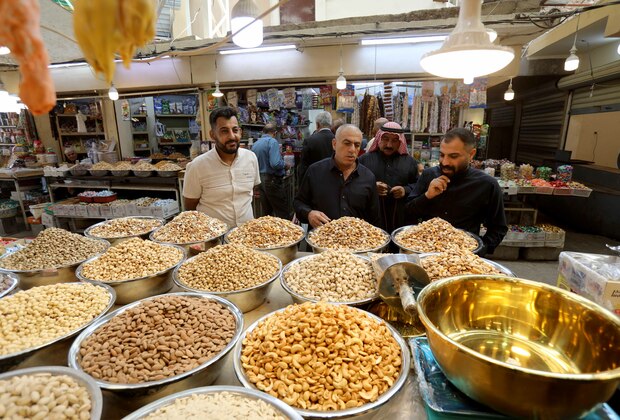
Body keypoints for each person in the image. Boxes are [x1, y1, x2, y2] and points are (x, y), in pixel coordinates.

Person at [405, 128, 507, 255]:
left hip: (463, 258)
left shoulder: (487, 184)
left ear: (471, 154)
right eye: (442, 155)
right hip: (425, 252)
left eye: (453, 156)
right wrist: (426, 196)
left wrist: (478, 251)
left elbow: (498, 228)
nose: (445, 162)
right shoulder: (428, 175)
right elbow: (408, 212)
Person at [183, 106, 260, 228]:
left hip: (247, 234)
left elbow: (252, 189)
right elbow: (190, 206)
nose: (232, 136)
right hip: (214, 238)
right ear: (212, 135)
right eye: (224, 131)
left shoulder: (251, 158)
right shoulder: (197, 166)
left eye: (235, 130)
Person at [294, 124, 380, 228]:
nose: (352, 150)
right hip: (320, 241)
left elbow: (374, 219)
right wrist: (309, 214)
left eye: (357, 145)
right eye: (347, 143)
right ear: (334, 144)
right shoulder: (315, 171)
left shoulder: (368, 177)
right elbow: (298, 203)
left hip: (356, 242)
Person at [359, 122, 418, 233]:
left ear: (400, 142)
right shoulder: (364, 160)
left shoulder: (410, 162)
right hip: (371, 218)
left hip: (400, 218)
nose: (389, 145)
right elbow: (354, 185)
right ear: (378, 138)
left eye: (394, 140)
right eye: (385, 139)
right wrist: (372, 187)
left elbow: (418, 186)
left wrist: (405, 190)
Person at [251, 123, 291, 219]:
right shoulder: (272, 142)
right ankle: (286, 233)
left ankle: (269, 232)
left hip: (260, 180)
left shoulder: (255, 144)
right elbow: (275, 163)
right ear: (275, 133)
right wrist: (285, 165)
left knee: (267, 213)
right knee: (282, 212)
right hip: (271, 180)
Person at [297, 111, 334, 186]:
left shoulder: (310, 140)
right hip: (333, 181)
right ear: (330, 124)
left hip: (314, 181)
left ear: (317, 124)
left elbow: (304, 166)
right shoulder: (337, 139)